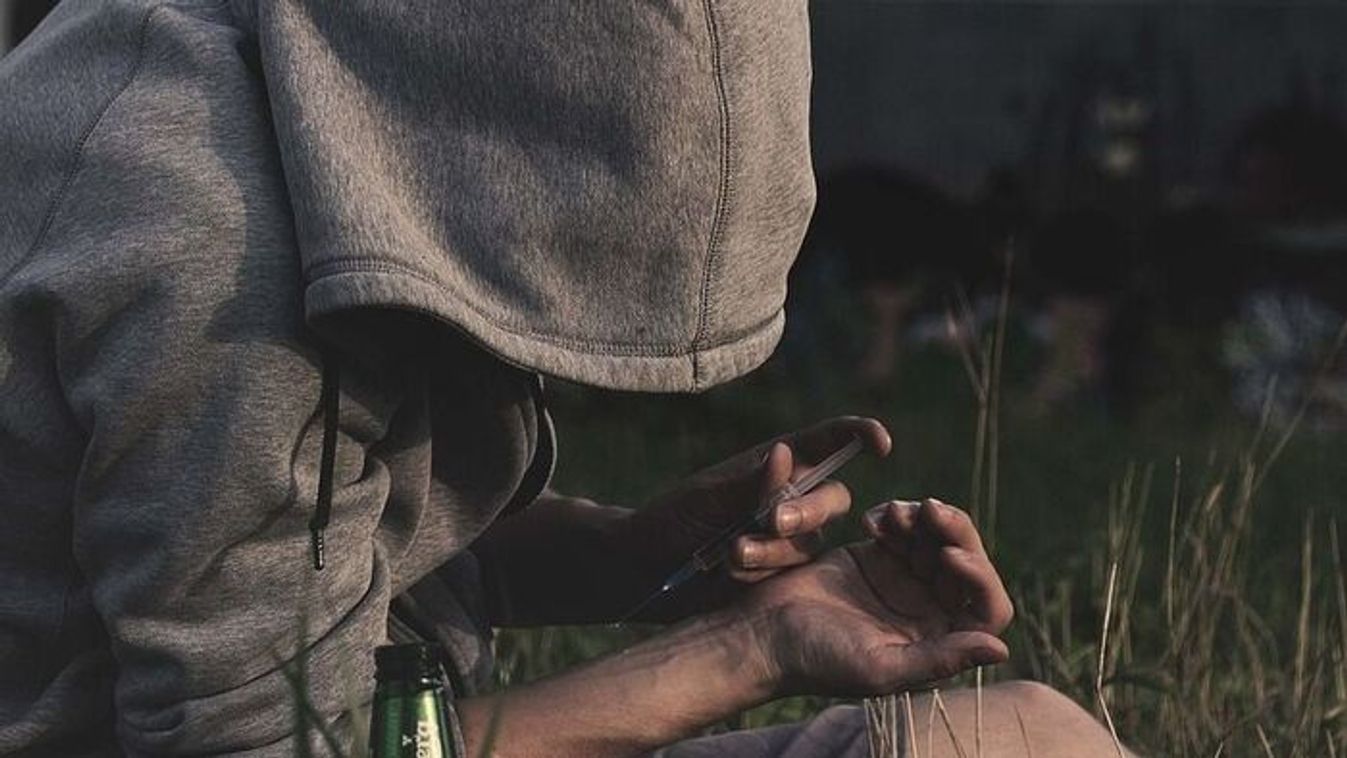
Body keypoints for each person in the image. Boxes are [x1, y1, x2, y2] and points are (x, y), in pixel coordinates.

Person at [0, 2, 1128, 756]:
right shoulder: (208, 251)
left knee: (1030, 741)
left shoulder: (335, 91)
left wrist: (635, 553)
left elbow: (300, 540)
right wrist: (747, 649)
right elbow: (272, 737)